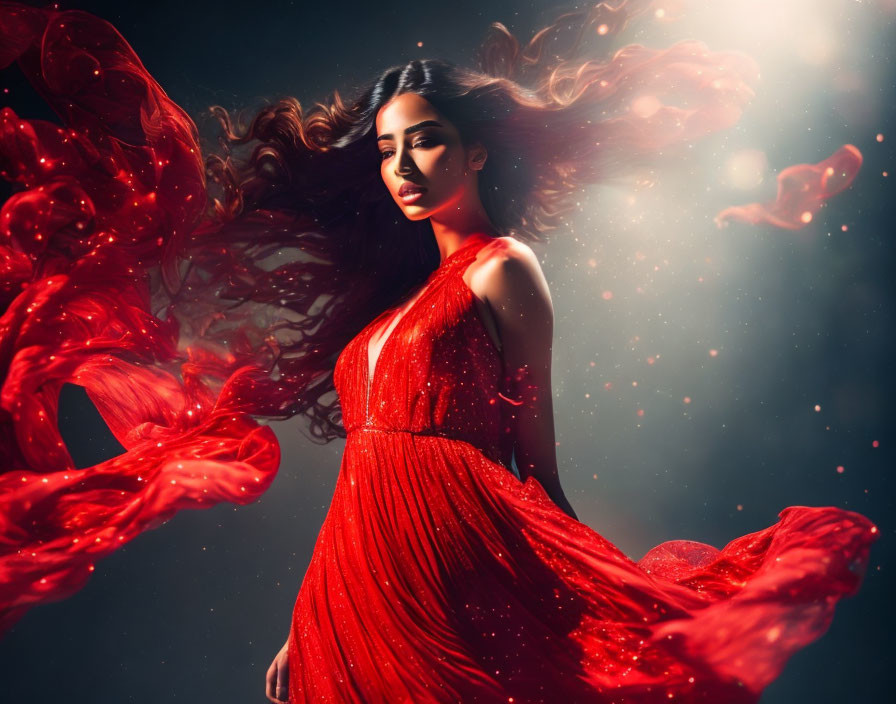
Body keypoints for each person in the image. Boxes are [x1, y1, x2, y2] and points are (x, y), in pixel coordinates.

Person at [260, 64, 877, 704]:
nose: (403, 167)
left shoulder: (503, 266)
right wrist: (308, 615)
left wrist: (591, 600)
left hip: (455, 564)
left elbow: (535, 462)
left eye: (425, 140)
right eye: (388, 151)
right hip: (361, 578)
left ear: (477, 151)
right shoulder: (395, 303)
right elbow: (360, 477)